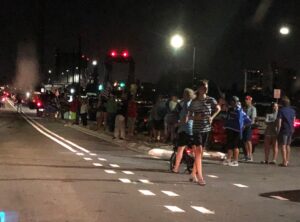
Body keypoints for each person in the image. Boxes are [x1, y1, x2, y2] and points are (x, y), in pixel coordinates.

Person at [187, 80, 220, 186]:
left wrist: (212, 117)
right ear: (200, 89)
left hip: (206, 128)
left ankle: (193, 174)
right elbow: (188, 116)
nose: (206, 89)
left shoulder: (211, 100)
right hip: (197, 129)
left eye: (207, 87)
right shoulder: (194, 102)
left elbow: (218, 108)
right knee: (199, 150)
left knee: (200, 153)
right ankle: (200, 177)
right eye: (204, 87)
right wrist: (195, 117)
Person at [223, 96, 251, 167]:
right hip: (230, 129)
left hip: (237, 131)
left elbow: (247, 120)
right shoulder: (231, 109)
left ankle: (235, 161)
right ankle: (229, 159)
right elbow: (228, 118)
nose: (231, 103)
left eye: (233, 101)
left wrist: (242, 127)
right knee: (229, 145)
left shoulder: (239, 110)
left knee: (235, 145)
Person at [172, 88, 195, 173]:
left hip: (184, 129)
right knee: (193, 148)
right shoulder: (192, 104)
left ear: (185, 95)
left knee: (180, 149)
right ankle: (194, 167)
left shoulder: (186, 104)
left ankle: (176, 167)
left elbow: (185, 118)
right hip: (192, 129)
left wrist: (177, 124)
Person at [276, 96, 295, 167]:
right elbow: (293, 121)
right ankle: (287, 160)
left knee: (283, 145)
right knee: (288, 145)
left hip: (284, 130)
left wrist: (278, 130)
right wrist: (292, 128)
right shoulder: (292, 111)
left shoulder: (281, 111)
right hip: (291, 129)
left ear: (282, 103)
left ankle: (284, 162)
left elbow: (279, 122)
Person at [243, 95, 257, 161]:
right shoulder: (244, 108)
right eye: (245, 99)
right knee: (244, 141)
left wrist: (247, 124)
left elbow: (253, 119)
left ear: (250, 100)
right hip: (243, 126)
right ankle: (247, 155)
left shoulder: (253, 108)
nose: (246, 101)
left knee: (248, 141)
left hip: (249, 126)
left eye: (247, 99)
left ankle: (250, 156)